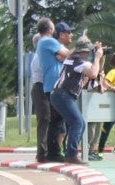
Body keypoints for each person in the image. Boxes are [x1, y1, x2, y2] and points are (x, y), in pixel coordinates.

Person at [49, 37, 102, 165]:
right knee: (77, 123)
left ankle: (70, 153)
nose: (89, 54)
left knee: (80, 123)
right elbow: (94, 73)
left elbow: (95, 72)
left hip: (60, 95)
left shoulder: (71, 59)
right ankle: (71, 155)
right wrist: (98, 57)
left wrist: (98, 57)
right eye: (88, 51)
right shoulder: (79, 61)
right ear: (85, 51)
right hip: (63, 95)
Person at [31, 18, 69, 163]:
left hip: (44, 85)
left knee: (52, 119)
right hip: (41, 86)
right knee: (46, 118)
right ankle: (44, 151)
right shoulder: (42, 49)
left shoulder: (42, 50)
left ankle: (49, 150)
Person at [89, 50, 115, 161]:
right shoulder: (113, 72)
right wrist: (113, 88)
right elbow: (105, 83)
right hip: (112, 107)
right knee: (106, 129)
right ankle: (100, 152)